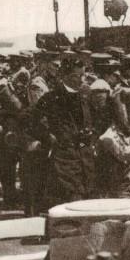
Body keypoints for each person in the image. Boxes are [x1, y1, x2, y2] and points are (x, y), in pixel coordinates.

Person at [29, 58, 96, 208]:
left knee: (87, 193)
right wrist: (48, 136)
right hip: (64, 156)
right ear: (64, 77)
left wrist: (92, 135)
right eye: (76, 76)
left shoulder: (85, 95)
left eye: (83, 76)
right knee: (70, 195)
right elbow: (32, 121)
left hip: (85, 154)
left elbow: (97, 119)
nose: (81, 80)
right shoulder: (51, 97)